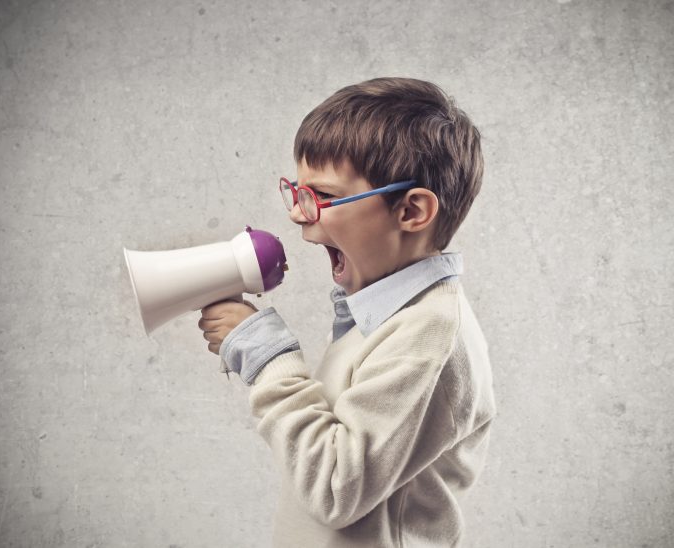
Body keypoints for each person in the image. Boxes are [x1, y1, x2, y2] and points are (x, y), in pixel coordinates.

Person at [199, 77, 496, 547]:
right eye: (298, 192)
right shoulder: (386, 318)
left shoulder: (429, 335)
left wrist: (268, 357)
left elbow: (337, 490)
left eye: (325, 197)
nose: (299, 213)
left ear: (412, 211)